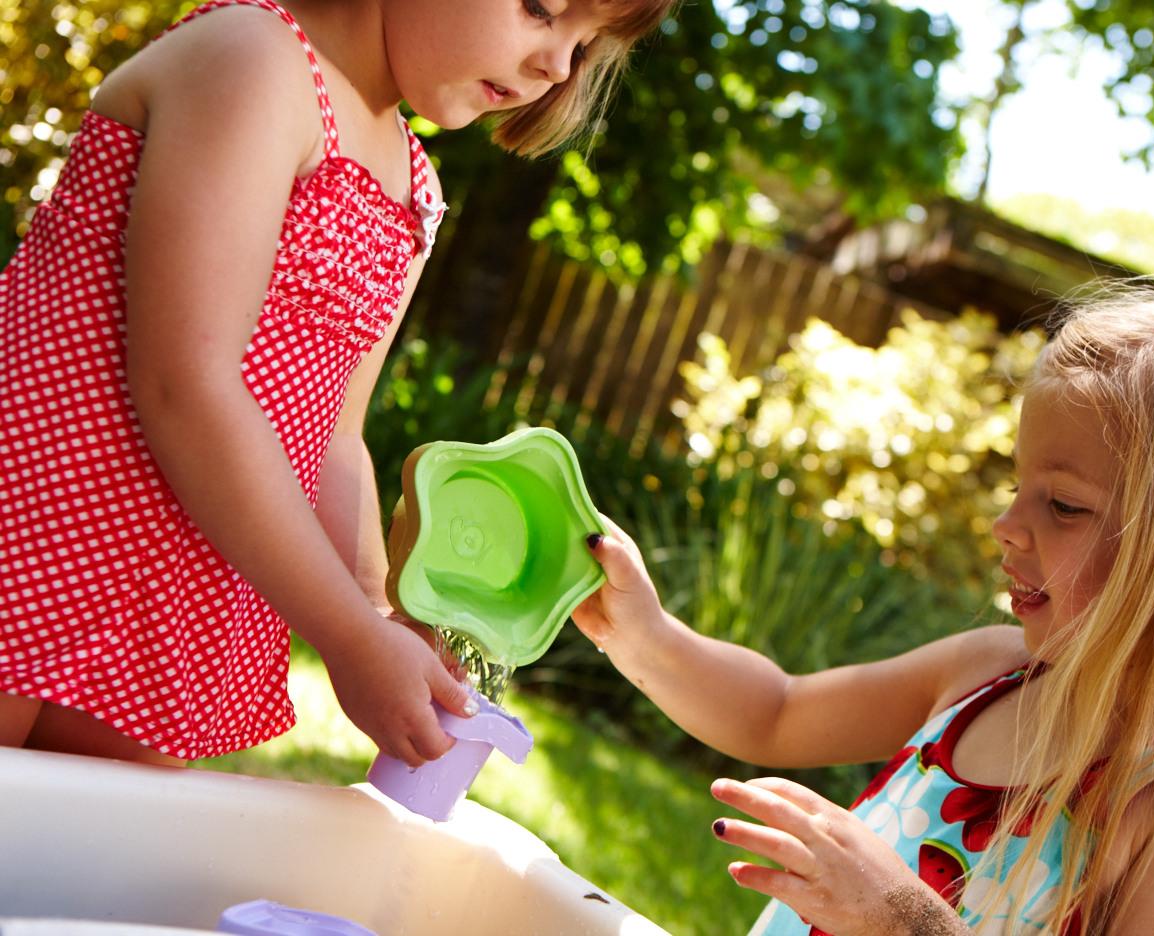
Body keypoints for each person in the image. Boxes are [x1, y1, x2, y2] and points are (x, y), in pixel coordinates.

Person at [575, 294, 1154, 935]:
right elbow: (776, 712)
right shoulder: (985, 674)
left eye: (1063, 504)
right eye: (1015, 489)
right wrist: (645, 636)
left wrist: (903, 919)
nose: (1008, 525)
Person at [0, 0, 671, 767]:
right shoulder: (257, 60)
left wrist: (381, 614)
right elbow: (186, 384)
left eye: (585, 46)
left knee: (66, 872)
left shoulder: (414, 191)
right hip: (32, 524)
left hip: (178, 599)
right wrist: (348, 638)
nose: (558, 65)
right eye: (543, 10)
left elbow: (335, 440)